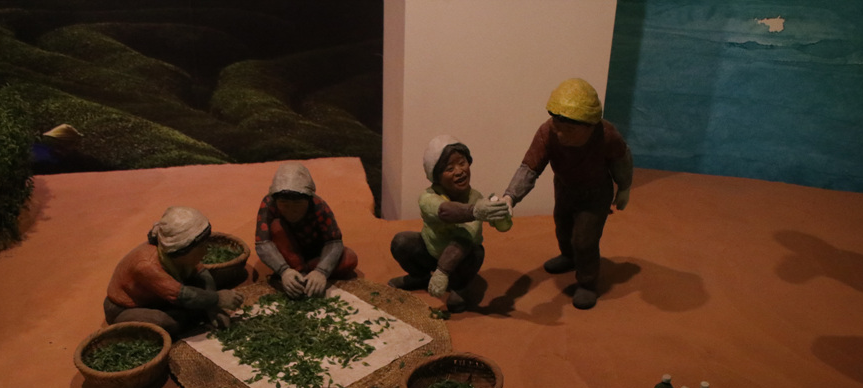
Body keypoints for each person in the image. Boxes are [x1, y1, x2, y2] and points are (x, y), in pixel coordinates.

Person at [502, 78, 634, 310]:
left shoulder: (606, 135)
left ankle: (587, 282)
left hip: (595, 194)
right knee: (562, 228)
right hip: (564, 189)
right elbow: (530, 167)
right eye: (558, 124)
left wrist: (624, 187)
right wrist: (510, 196)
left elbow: (621, 160)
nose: (561, 133)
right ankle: (569, 257)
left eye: (570, 129)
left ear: (590, 125)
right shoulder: (547, 132)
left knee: (584, 240)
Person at [388, 135, 510, 312]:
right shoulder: (428, 197)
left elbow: (464, 237)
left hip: (461, 260)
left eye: (462, 163)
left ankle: (459, 287)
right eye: (449, 168)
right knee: (402, 242)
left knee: (475, 252)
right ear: (437, 177)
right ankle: (420, 276)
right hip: (431, 251)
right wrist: (475, 211)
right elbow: (444, 210)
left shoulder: (476, 198)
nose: (459, 171)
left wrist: (443, 271)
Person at [104, 206, 243, 338]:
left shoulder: (180, 259)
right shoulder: (147, 266)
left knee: (197, 302)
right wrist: (217, 299)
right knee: (168, 323)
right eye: (201, 247)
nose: (205, 251)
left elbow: (202, 273)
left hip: (158, 298)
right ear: (183, 250)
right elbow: (180, 295)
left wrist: (212, 306)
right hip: (127, 308)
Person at [254, 162, 358, 299]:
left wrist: (321, 271)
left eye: (297, 204)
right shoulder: (269, 203)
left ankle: (308, 274)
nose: (291, 210)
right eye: (284, 203)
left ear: (308, 200)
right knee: (277, 227)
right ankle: (296, 273)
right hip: (288, 254)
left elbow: (334, 241)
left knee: (349, 258)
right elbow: (263, 243)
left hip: (315, 255)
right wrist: (284, 270)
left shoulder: (318, 206)